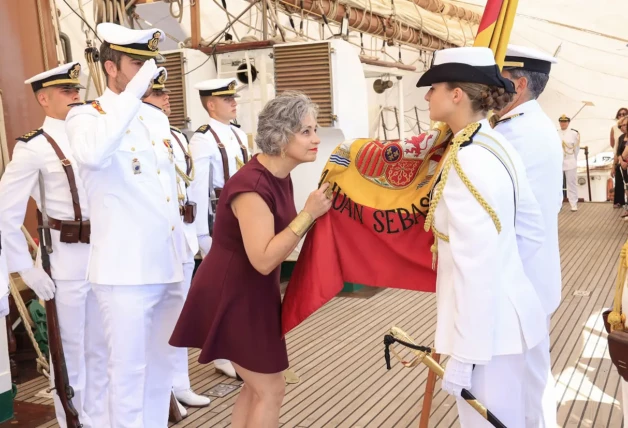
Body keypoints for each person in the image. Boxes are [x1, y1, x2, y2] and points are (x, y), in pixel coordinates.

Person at [170, 91, 332, 427]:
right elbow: (262, 259)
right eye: (306, 131)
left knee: (256, 390)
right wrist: (308, 215)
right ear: (279, 136)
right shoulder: (253, 186)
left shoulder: (277, 175)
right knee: (270, 388)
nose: (316, 139)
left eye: (315, 129)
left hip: (254, 294)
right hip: (232, 295)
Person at [417, 47, 547, 427]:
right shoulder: (494, 142)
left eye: (433, 87)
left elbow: (476, 264)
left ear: (457, 94)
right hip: (508, 322)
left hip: (488, 339)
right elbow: (531, 232)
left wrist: (466, 354)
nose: (427, 96)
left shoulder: (468, 158)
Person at [65, 23, 185, 427]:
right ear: (111, 67)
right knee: (128, 374)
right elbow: (95, 156)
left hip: (166, 267)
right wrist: (134, 94)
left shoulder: (155, 120)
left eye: (151, 62)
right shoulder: (84, 118)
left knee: (161, 369)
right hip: (123, 274)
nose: (149, 71)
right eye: (139, 63)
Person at [0, 62, 107, 428]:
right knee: (71, 349)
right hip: (67, 258)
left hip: (107, 254)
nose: (76, 95)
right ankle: (72, 419)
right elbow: (5, 213)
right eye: (66, 91)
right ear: (44, 99)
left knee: (103, 345)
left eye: (75, 89)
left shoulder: (95, 135)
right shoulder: (33, 147)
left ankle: (102, 416)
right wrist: (27, 269)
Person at [494, 44, 563, 428]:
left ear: (518, 84)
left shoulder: (518, 134)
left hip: (520, 276)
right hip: (533, 275)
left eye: (497, 80)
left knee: (521, 381)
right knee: (533, 374)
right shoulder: (528, 125)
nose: (489, 88)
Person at [141, 68, 211, 411]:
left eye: (165, 92)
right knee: (153, 325)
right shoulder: (133, 135)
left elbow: (189, 185)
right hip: (153, 243)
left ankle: (179, 384)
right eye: (157, 94)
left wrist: (197, 234)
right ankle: (162, 391)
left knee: (178, 318)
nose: (166, 97)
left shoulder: (177, 137)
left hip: (180, 238)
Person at [186, 78, 250, 379]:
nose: (234, 102)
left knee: (243, 286)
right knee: (223, 289)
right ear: (210, 105)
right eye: (227, 99)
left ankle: (240, 346)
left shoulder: (238, 134)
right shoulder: (203, 138)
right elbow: (197, 188)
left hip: (245, 215)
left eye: (233, 98)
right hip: (219, 218)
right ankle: (222, 353)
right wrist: (201, 233)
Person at [558, 114, 580, 212]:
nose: (563, 123)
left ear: (568, 122)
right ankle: (558, 204)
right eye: (561, 122)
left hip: (570, 160)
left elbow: (576, 149)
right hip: (559, 162)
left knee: (571, 183)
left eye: (565, 122)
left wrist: (574, 159)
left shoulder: (574, 133)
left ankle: (573, 203)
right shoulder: (556, 133)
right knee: (558, 184)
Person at [613, 117, 628, 213]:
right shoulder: (621, 137)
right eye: (621, 125)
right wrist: (621, 161)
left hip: (626, 163)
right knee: (626, 186)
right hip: (623, 164)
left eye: (625, 125)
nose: (623, 127)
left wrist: (624, 161)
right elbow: (618, 152)